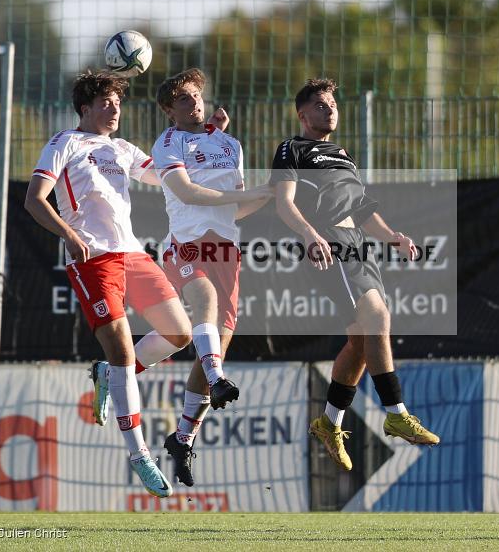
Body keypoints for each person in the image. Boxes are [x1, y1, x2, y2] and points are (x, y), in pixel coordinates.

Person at [25, 70, 194, 498]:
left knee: (179, 333)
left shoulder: (121, 149)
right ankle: (139, 453)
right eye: (106, 102)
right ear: (86, 108)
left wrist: (197, 134)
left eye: (118, 102)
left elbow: (167, 176)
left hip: (133, 254)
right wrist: (68, 233)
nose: (115, 108)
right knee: (121, 353)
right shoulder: (66, 143)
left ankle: (107, 374)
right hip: (93, 259)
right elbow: (34, 199)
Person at [270, 78, 440, 472]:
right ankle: (397, 412)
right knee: (377, 318)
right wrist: (309, 234)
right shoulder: (291, 148)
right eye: (320, 104)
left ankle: (329, 423)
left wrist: (393, 236)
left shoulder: (343, 154)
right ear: (302, 113)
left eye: (332, 103)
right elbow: (283, 203)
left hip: (358, 243)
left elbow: (362, 209)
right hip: (329, 242)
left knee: (362, 342)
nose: (329, 109)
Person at [147, 68, 270, 487]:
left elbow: (234, 208)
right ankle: (217, 380)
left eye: (196, 95)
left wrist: (264, 196)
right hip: (186, 243)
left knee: (215, 342)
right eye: (182, 98)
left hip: (226, 249)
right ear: (168, 110)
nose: (193, 102)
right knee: (204, 303)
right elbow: (189, 193)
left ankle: (182, 438)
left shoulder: (229, 144)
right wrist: (251, 193)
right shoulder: (168, 143)